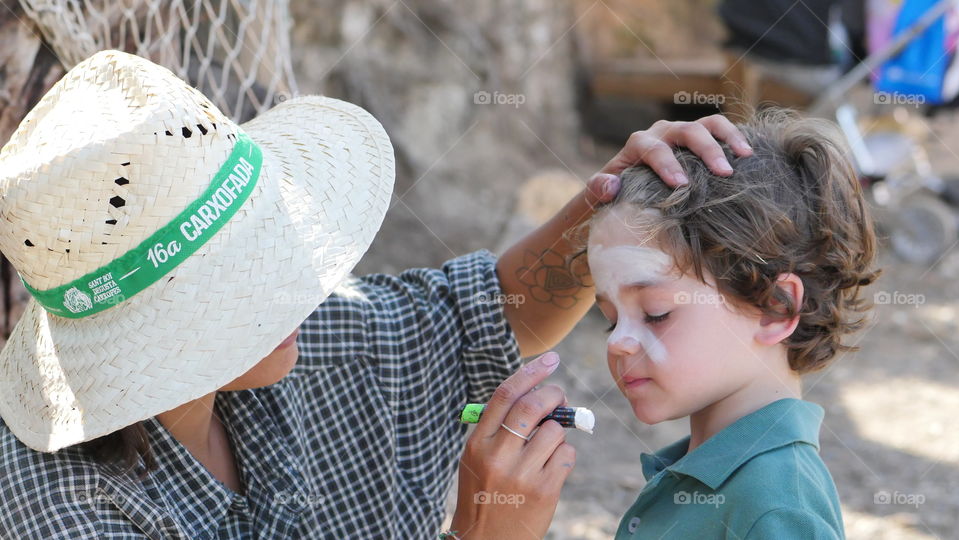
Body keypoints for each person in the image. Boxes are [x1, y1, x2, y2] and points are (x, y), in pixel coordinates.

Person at [0, 50, 751, 538]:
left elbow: (484, 318)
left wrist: (608, 199)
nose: (295, 286)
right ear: (152, 330)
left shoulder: (297, 345)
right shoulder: (64, 513)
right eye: (243, 281)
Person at [456, 109, 878, 538]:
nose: (618, 343)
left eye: (656, 313)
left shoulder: (777, 509)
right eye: (610, 319)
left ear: (775, 307)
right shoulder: (705, 473)